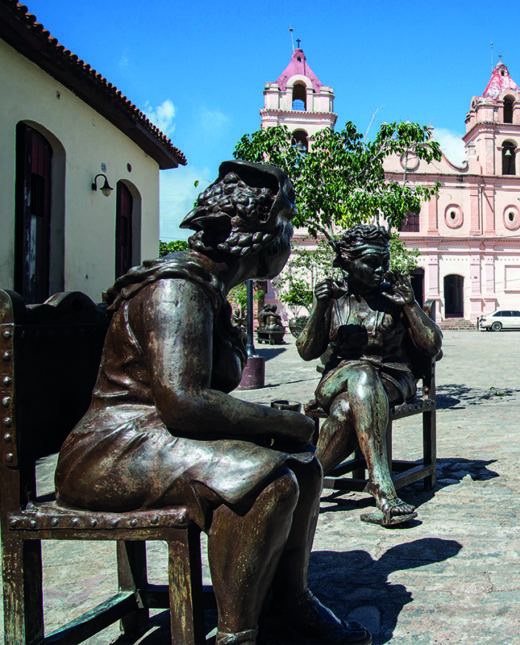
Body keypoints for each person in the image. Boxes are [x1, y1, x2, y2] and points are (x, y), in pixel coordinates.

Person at [54, 161, 372, 645]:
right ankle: (236, 635)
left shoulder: (209, 292)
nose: (289, 239)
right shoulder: (176, 289)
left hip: (156, 437)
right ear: (252, 234)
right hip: (113, 448)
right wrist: (285, 424)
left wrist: (285, 431)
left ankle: (287, 603)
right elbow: (184, 402)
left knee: (306, 469)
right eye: (285, 225)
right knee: (266, 482)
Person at [297, 225, 442, 527]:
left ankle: (303, 482)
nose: (381, 270)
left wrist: (411, 305)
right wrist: (320, 307)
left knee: (345, 409)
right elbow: (307, 351)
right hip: (337, 379)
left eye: (385, 262)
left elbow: (432, 345)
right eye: (372, 263)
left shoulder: (395, 299)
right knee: (361, 373)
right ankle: (384, 491)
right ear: (349, 262)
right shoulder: (334, 301)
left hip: (392, 378)